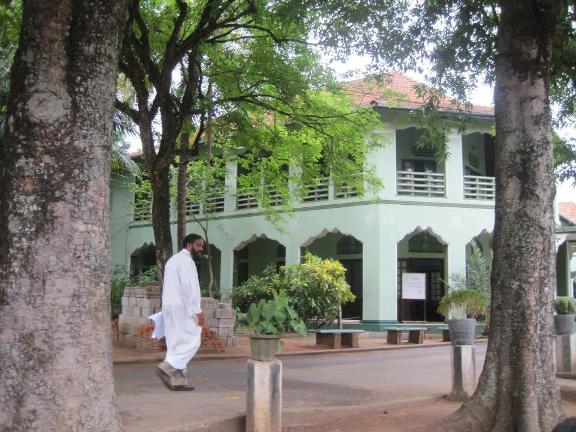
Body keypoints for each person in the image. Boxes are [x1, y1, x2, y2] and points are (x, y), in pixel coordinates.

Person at [155, 234, 205, 391]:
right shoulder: (186, 262)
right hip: (182, 307)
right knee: (193, 338)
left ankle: (178, 380)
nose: (201, 249)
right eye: (198, 245)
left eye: (202, 246)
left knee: (175, 342)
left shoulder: (173, 260)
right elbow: (188, 288)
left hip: (170, 306)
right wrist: (197, 311)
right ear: (189, 246)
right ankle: (168, 366)